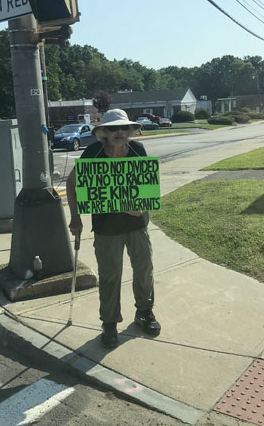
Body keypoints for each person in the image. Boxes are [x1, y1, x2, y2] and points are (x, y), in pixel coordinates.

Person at [66, 108, 161, 348]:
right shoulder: (93, 153)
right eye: (113, 128)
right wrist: (75, 217)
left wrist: (139, 207)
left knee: (144, 271)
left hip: (137, 225)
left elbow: (146, 187)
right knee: (110, 277)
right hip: (107, 229)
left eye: (123, 128)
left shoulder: (138, 151)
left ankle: (144, 312)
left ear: (129, 130)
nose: (119, 132)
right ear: (104, 133)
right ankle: (109, 324)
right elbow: (72, 182)